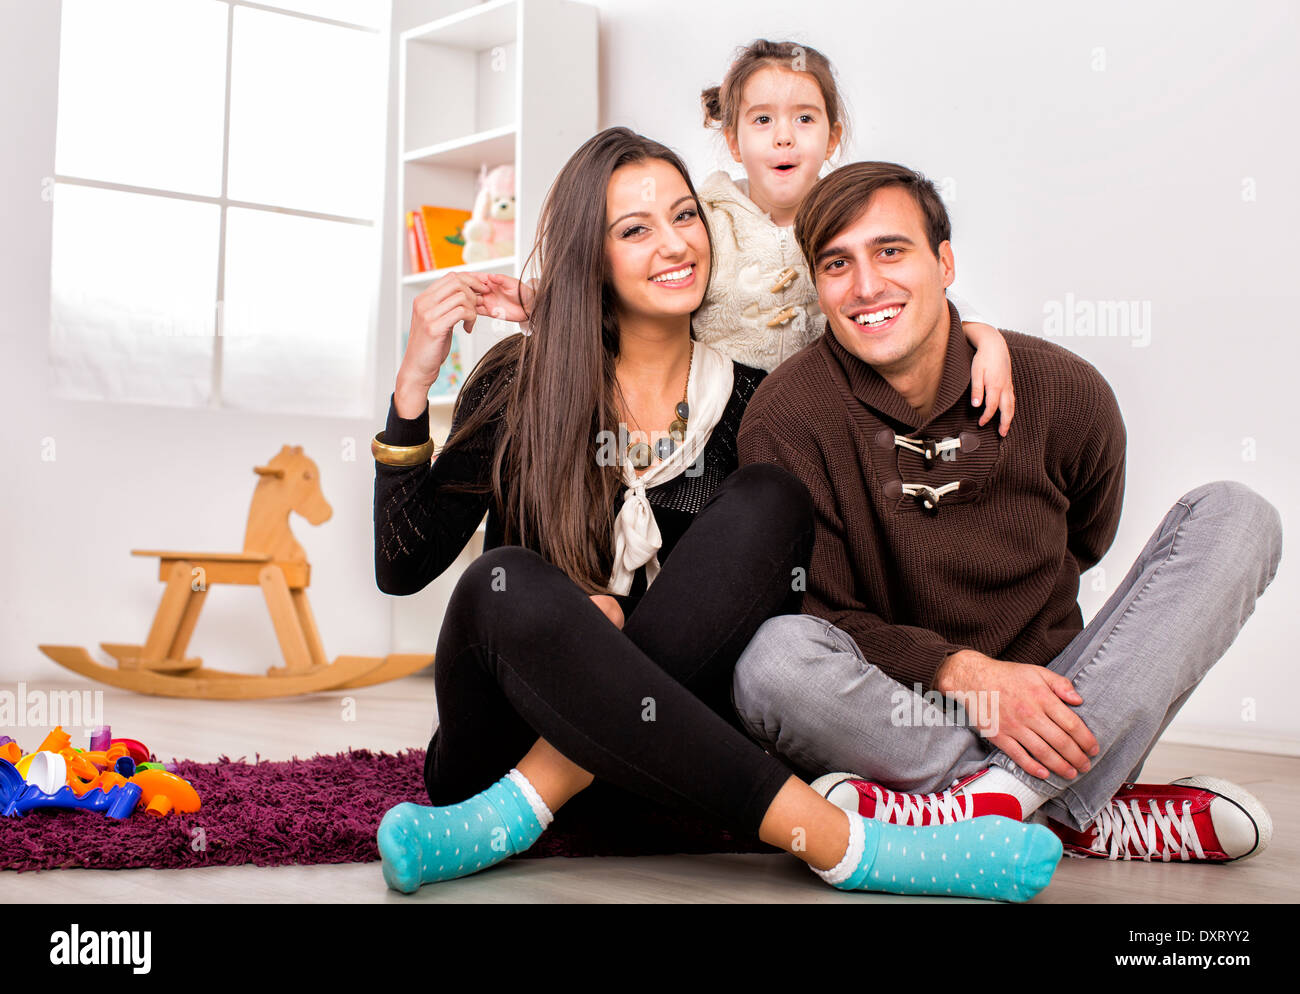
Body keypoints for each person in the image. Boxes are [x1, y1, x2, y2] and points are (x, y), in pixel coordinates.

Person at [370, 127, 1064, 899]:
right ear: (592, 257)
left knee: (774, 498)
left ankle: (525, 806)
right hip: (496, 748)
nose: (674, 245)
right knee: (503, 582)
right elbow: (402, 570)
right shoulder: (520, 382)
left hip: (667, 767)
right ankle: (861, 849)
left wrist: (978, 335)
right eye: (635, 230)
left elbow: (878, 338)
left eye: (686, 216)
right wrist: (412, 387)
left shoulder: (756, 405)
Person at [732, 160, 1282, 863]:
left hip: (1063, 708)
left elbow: (1086, 540)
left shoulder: (1065, 390)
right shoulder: (787, 415)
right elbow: (820, 614)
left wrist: (1019, 684)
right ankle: (1071, 813)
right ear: (818, 286)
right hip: (897, 719)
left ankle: (984, 806)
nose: (866, 286)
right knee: (770, 661)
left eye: (890, 251)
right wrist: (964, 672)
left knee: (1238, 515)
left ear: (946, 261)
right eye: (837, 264)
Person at [692, 38, 1014, 437]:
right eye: (762, 120)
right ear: (733, 142)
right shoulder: (704, 221)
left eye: (804, 119)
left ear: (831, 138)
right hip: (713, 423)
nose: (784, 137)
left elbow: (925, 291)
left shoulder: (853, 219)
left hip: (823, 422)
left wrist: (985, 333)